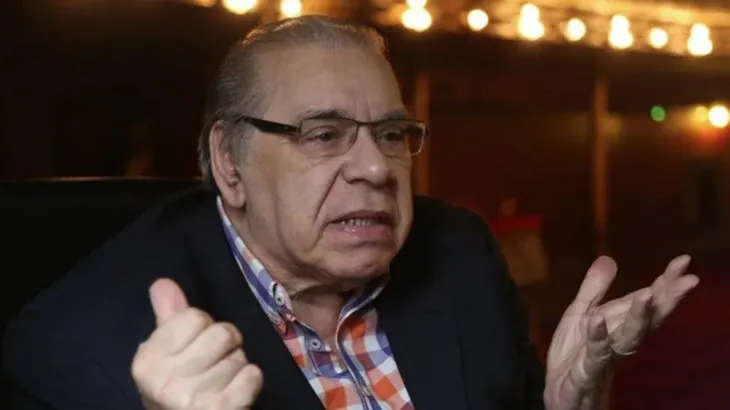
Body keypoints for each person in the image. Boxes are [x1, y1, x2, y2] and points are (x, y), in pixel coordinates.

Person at [2, 16, 698, 410]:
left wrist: (568, 404)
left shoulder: (459, 251)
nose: (375, 168)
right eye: (323, 134)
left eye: (391, 133)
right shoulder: (80, 347)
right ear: (229, 163)